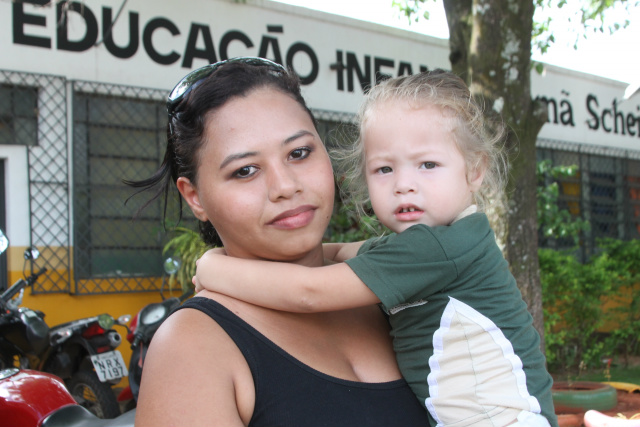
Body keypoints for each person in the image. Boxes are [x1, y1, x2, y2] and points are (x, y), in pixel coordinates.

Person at [193, 70, 559, 427]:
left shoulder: (438, 248)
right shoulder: (420, 249)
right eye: (384, 169)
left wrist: (212, 266)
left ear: (475, 170)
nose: (403, 185)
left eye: (427, 164)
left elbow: (309, 291)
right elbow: (337, 254)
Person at [128, 57, 431, 427]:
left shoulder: (391, 290)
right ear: (194, 197)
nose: (285, 186)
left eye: (299, 153)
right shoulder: (192, 346)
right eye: (245, 171)